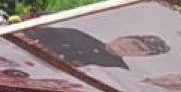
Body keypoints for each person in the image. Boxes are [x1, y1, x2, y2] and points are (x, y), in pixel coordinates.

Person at [24, 27, 169, 70]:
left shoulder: (118, 69)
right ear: (124, 37)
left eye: (142, 52)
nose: (132, 49)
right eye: (135, 43)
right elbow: (29, 34)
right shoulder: (76, 35)